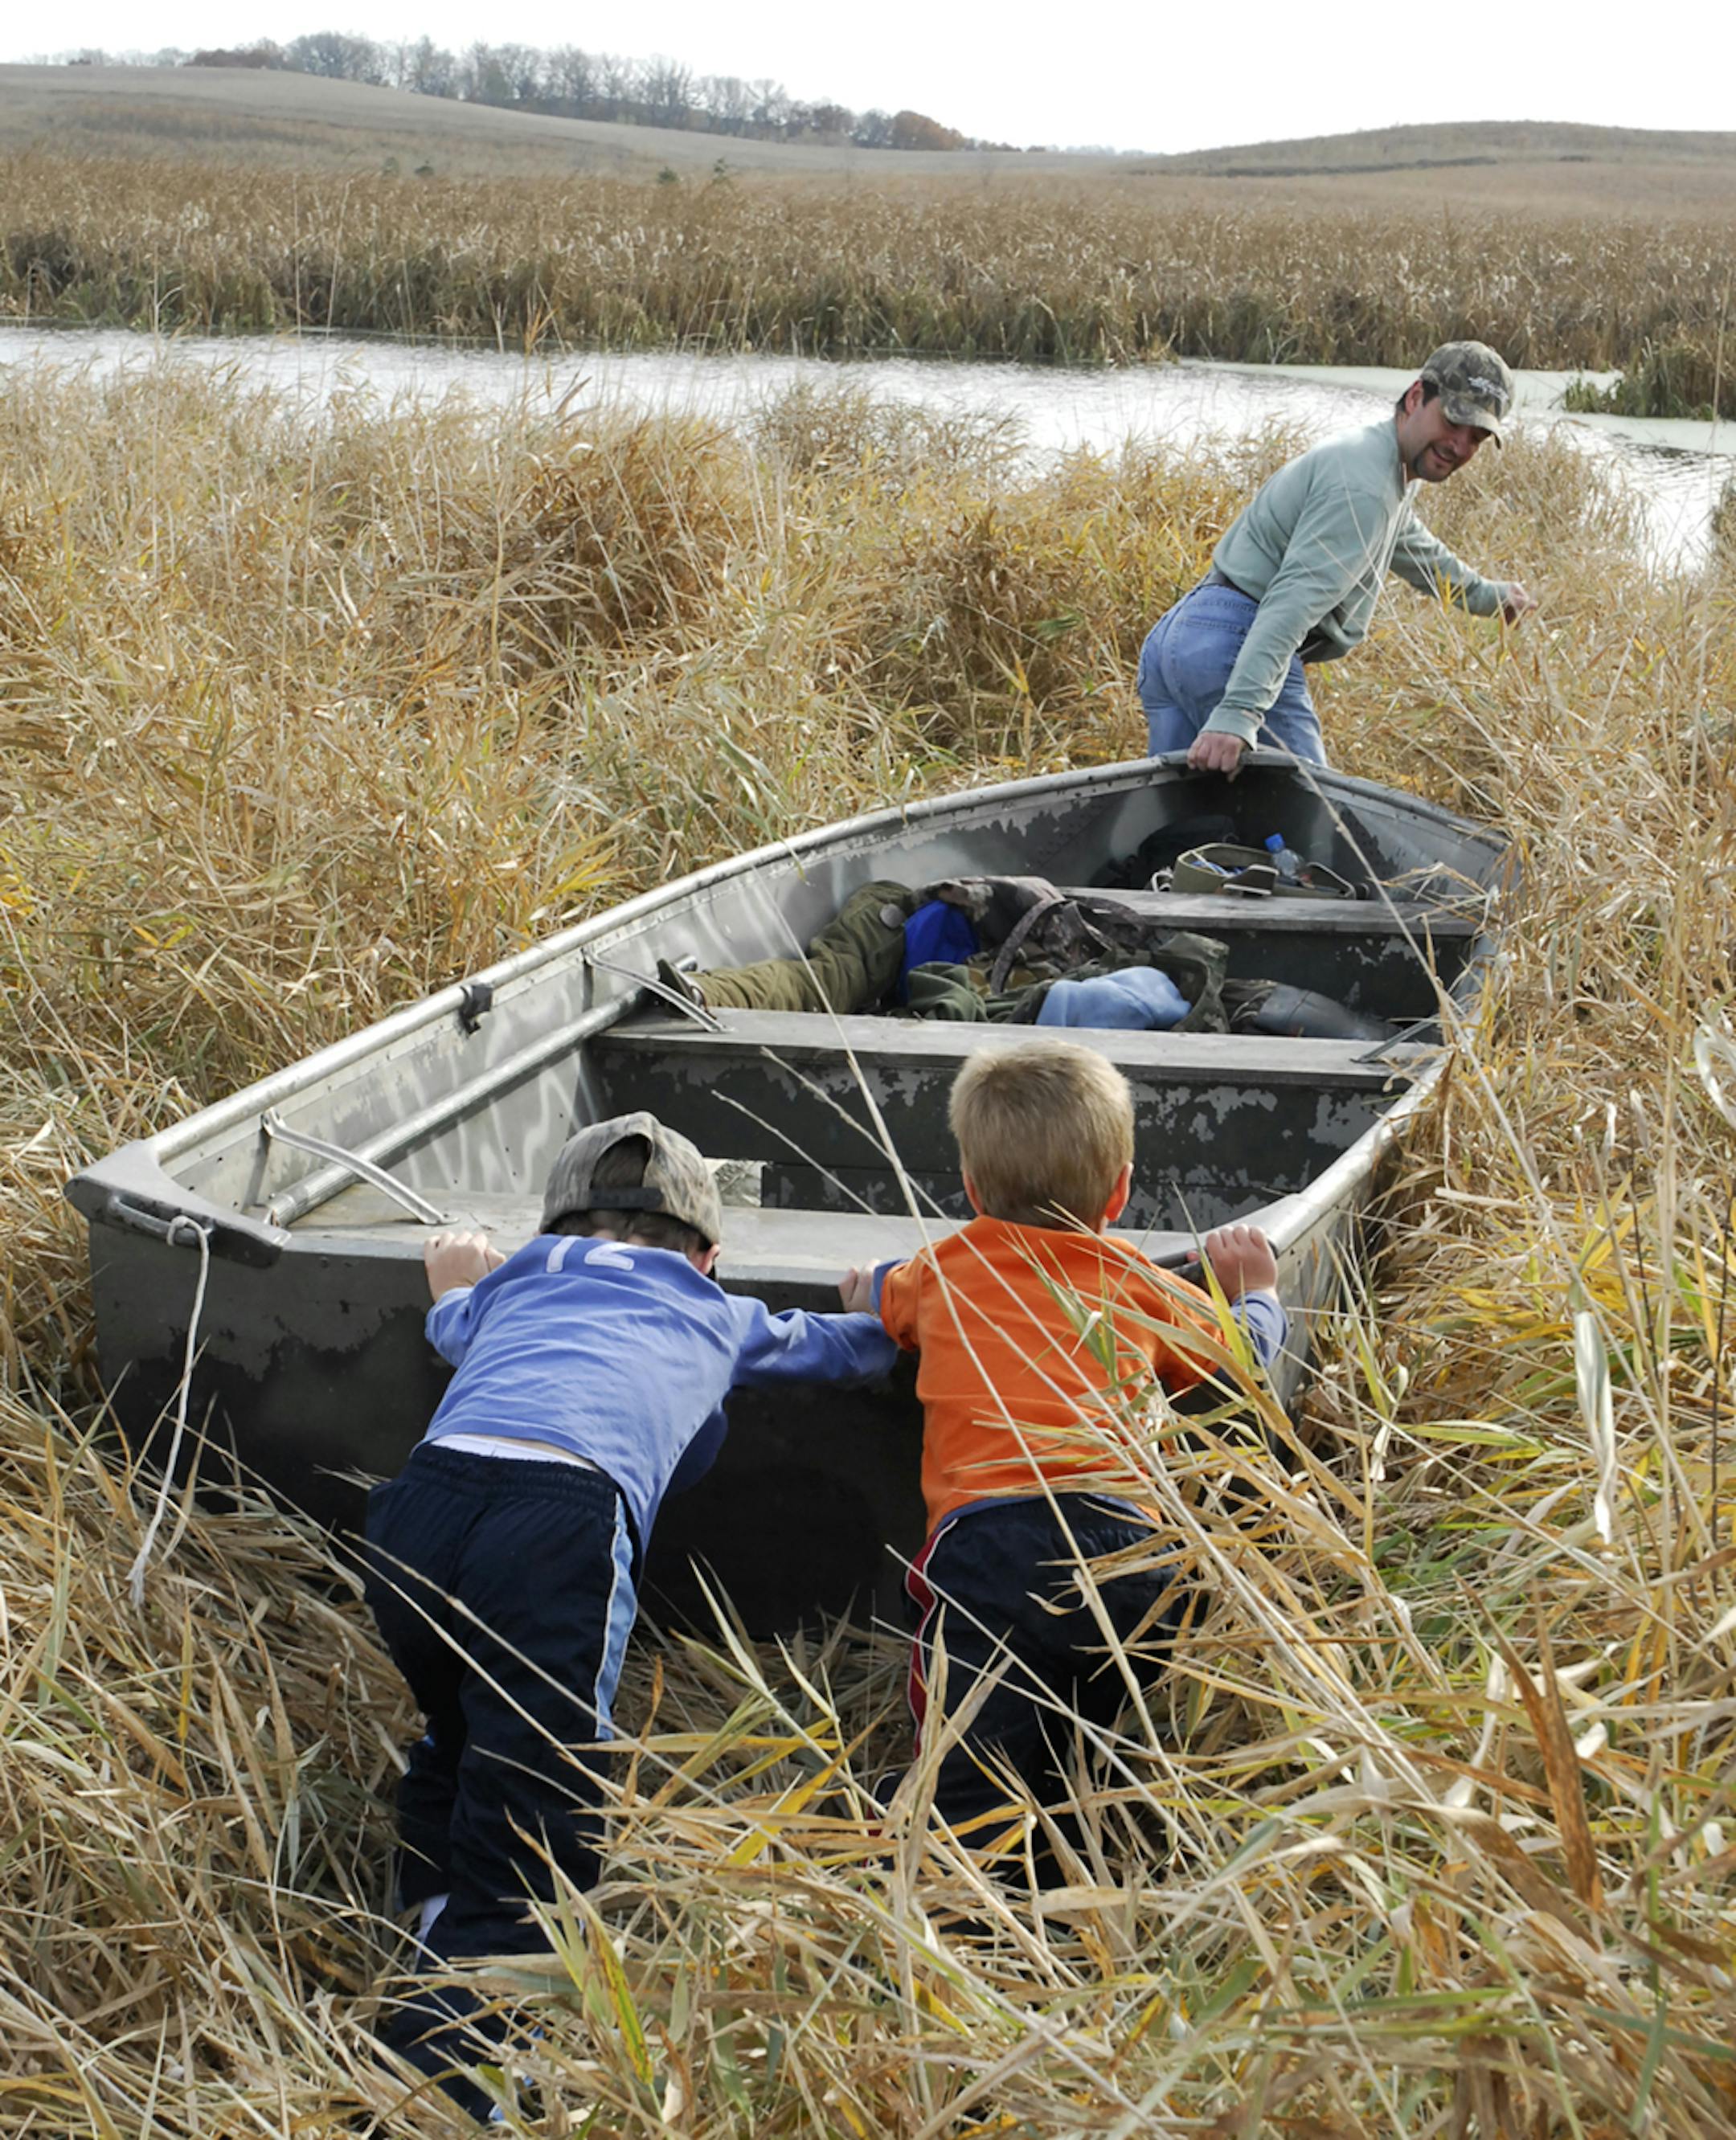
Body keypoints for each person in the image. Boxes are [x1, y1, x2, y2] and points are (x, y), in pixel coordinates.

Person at [363, 1111, 897, 2116]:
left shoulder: (519, 1280)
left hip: (417, 1511)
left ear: (556, 1226)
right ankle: (462, 2059)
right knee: (543, 1777)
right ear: (709, 1254)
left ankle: (432, 1904)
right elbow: (845, 1354)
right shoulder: (715, 1308)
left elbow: (453, 1321)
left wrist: (460, 1279)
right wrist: (881, 1304)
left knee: (465, 1720)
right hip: (557, 1520)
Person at [839, 1037, 1288, 1872]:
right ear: (1119, 1190)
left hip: (989, 1554)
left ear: (971, 1188)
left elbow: (881, 1296)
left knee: (969, 1776)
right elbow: (1243, 1359)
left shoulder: (941, 1269)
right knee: (1098, 1736)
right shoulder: (1135, 1280)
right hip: (1129, 1550)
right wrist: (1256, 1292)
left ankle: (985, 1917)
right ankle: (1105, 1873)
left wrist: (865, 1284)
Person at [1136, 341, 1537, 775]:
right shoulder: (1365, 487)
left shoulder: (1379, 462)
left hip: (1179, 638)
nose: (1460, 445)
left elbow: (1419, 552)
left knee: (1179, 826)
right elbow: (1292, 601)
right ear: (1416, 396)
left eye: (1476, 438)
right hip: (1233, 644)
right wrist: (1238, 711)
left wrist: (1489, 597)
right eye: (1453, 420)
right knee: (1317, 818)